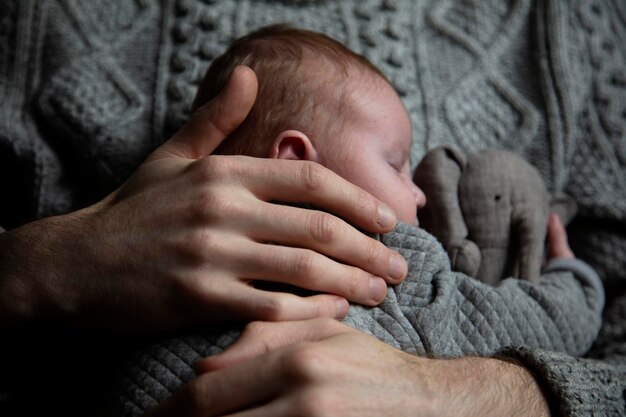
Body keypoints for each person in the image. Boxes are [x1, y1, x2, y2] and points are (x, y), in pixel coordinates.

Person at [0, 1, 623, 416]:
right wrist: (573, 282)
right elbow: (526, 319)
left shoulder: (126, 319)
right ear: (301, 163)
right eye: (398, 163)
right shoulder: (395, 268)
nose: (423, 194)